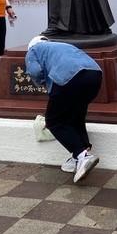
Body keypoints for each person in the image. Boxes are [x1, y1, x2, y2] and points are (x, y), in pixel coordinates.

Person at [25, 36, 102, 183]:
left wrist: (43, 82)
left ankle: (82, 156)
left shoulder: (34, 50)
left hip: (68, 76)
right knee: (75, 116)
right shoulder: (62, 45)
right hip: (95, 74)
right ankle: (78, 156)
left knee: (54, 121)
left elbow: (34, 71)